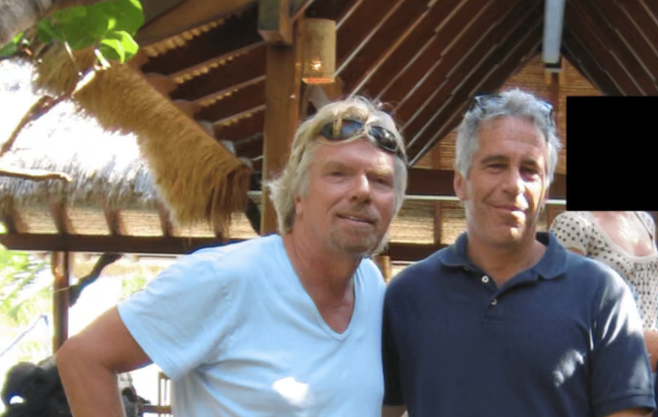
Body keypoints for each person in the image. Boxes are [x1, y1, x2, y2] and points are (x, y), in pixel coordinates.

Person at [55, 96, 409, 417]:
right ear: (298, 195)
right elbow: (84, 358)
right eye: (338, 174)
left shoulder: (371, 286)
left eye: (380, 180)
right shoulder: (223, 278)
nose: (362, 191)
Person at [381, 89, 655, 417]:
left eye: (530, 170)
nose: (514, 184)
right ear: (460, 183)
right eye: (496, 165)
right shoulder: (408, 294)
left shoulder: (602, 294)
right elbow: (382, 410)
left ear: (546, 190)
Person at [549, 211, 658, 373]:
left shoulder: (645, 220)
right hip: (597, 369)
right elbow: (561, 312)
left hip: (645, 368)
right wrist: (637, 338)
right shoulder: (574, 222)